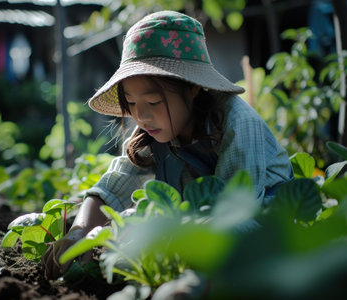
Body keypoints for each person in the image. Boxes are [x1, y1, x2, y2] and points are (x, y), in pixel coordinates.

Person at [42, 10, 294, 279]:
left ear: (192, 87)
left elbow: (238, 210)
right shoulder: (155, 129)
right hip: (198, 225)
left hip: (263, 221)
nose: (141, 116)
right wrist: (80, 230)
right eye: (132, 103)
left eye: (153, 102)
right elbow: (114, 185)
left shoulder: (237, 121)